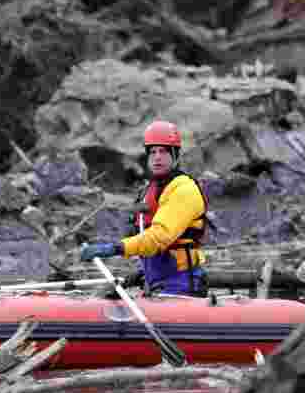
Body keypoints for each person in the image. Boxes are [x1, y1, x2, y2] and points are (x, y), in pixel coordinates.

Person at [80, 120, 210, 297]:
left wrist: (113, 248)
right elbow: (145, 244)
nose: (157, 157)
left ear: (176, 156)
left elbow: (158, 238)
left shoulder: (184, 190)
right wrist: (138, 275)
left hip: (182, 285)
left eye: (163, 151)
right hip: (154, 284)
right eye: (153, 152)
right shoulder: (147, 191)